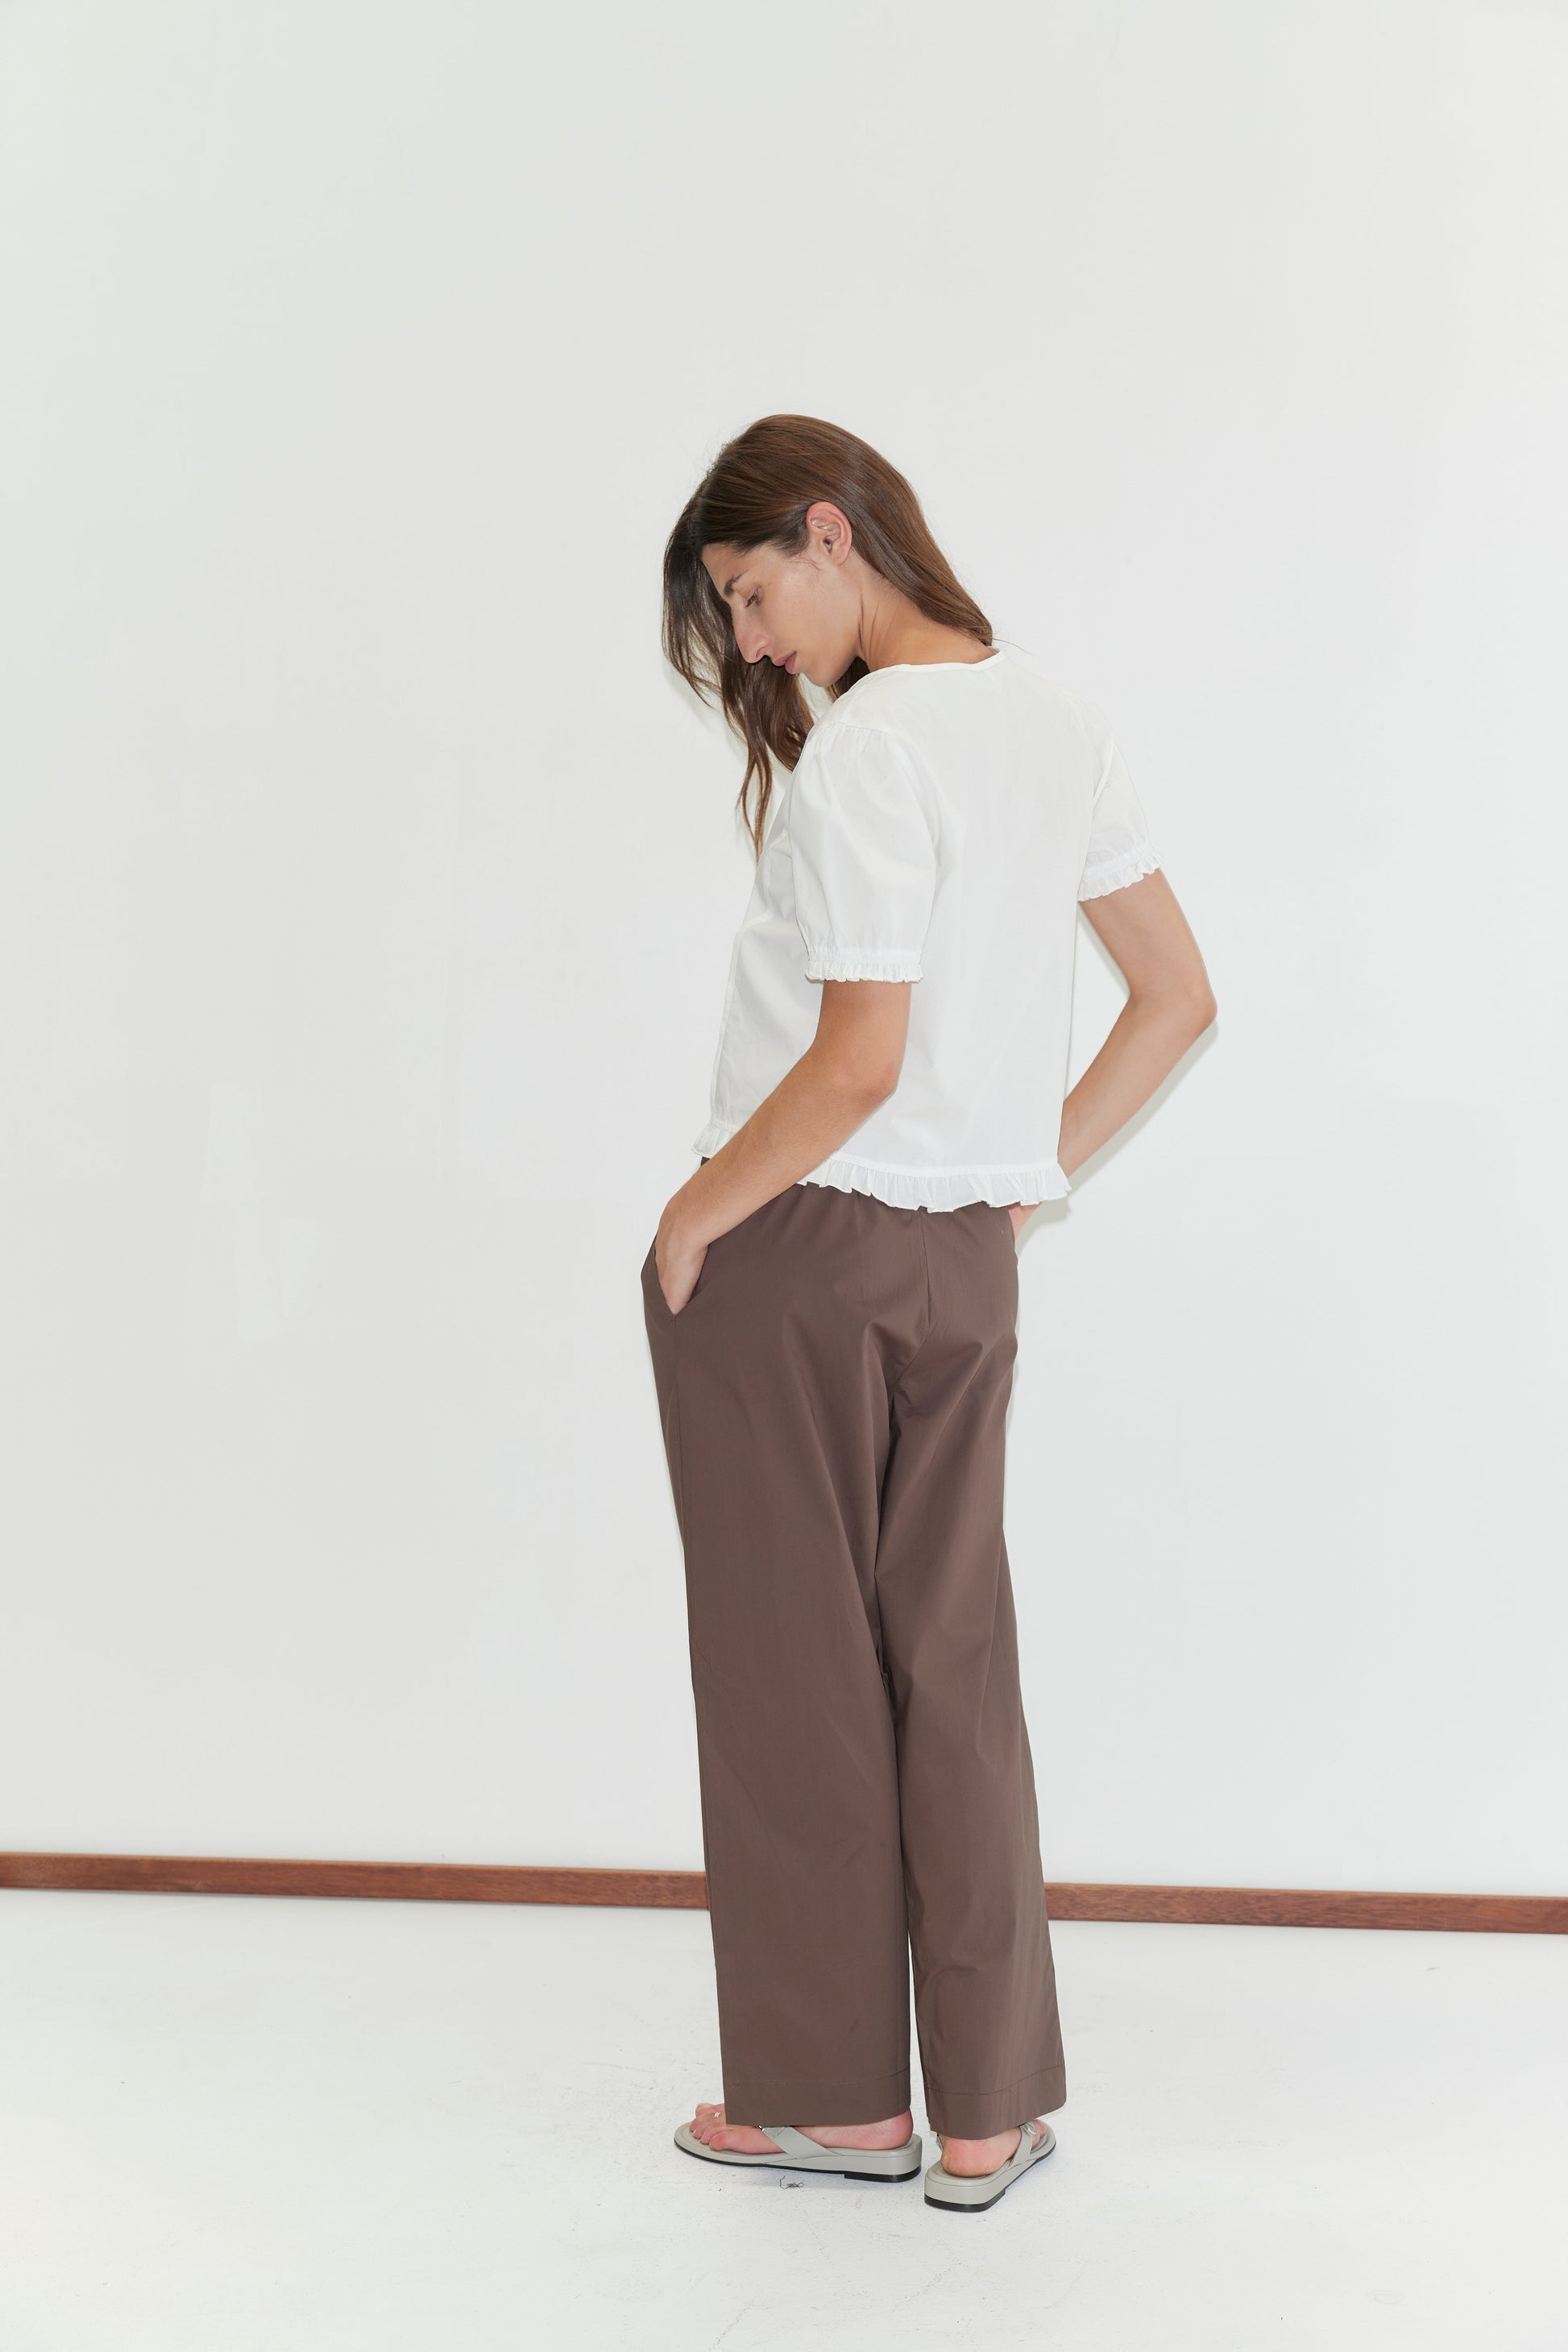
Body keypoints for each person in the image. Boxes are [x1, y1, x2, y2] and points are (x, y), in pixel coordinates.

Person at [644, 413, 1217, 2213]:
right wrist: (1022, 1176)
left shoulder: (870, 750)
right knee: (949, 1664)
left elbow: (855, 1057)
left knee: (789, 1676)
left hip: (799, 1252)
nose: (751, 643)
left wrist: (695, 1203)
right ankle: (984, 2112)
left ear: (830, 530)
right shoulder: (1052, 722)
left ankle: (829, 2098)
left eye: (749, 593)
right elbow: (1176, 998)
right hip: (963, 1258)